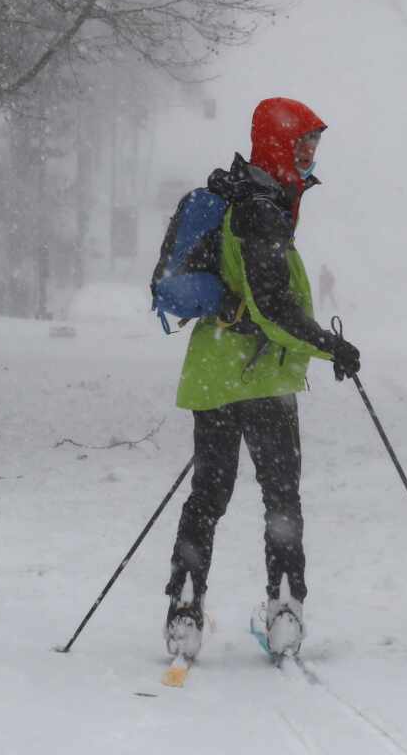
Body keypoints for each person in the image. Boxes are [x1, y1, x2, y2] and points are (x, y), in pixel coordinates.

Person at [162, 96, 361, 663]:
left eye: (313, 145)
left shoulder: (241, 197)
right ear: (277, 144)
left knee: (208, 494)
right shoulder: (260, 210)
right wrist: (332, 347)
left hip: (214, 376)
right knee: (280, 498)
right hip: (262, 380)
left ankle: (184, 606)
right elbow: (273, 309)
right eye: (302, 144)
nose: (309, 155)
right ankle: (284, 607)